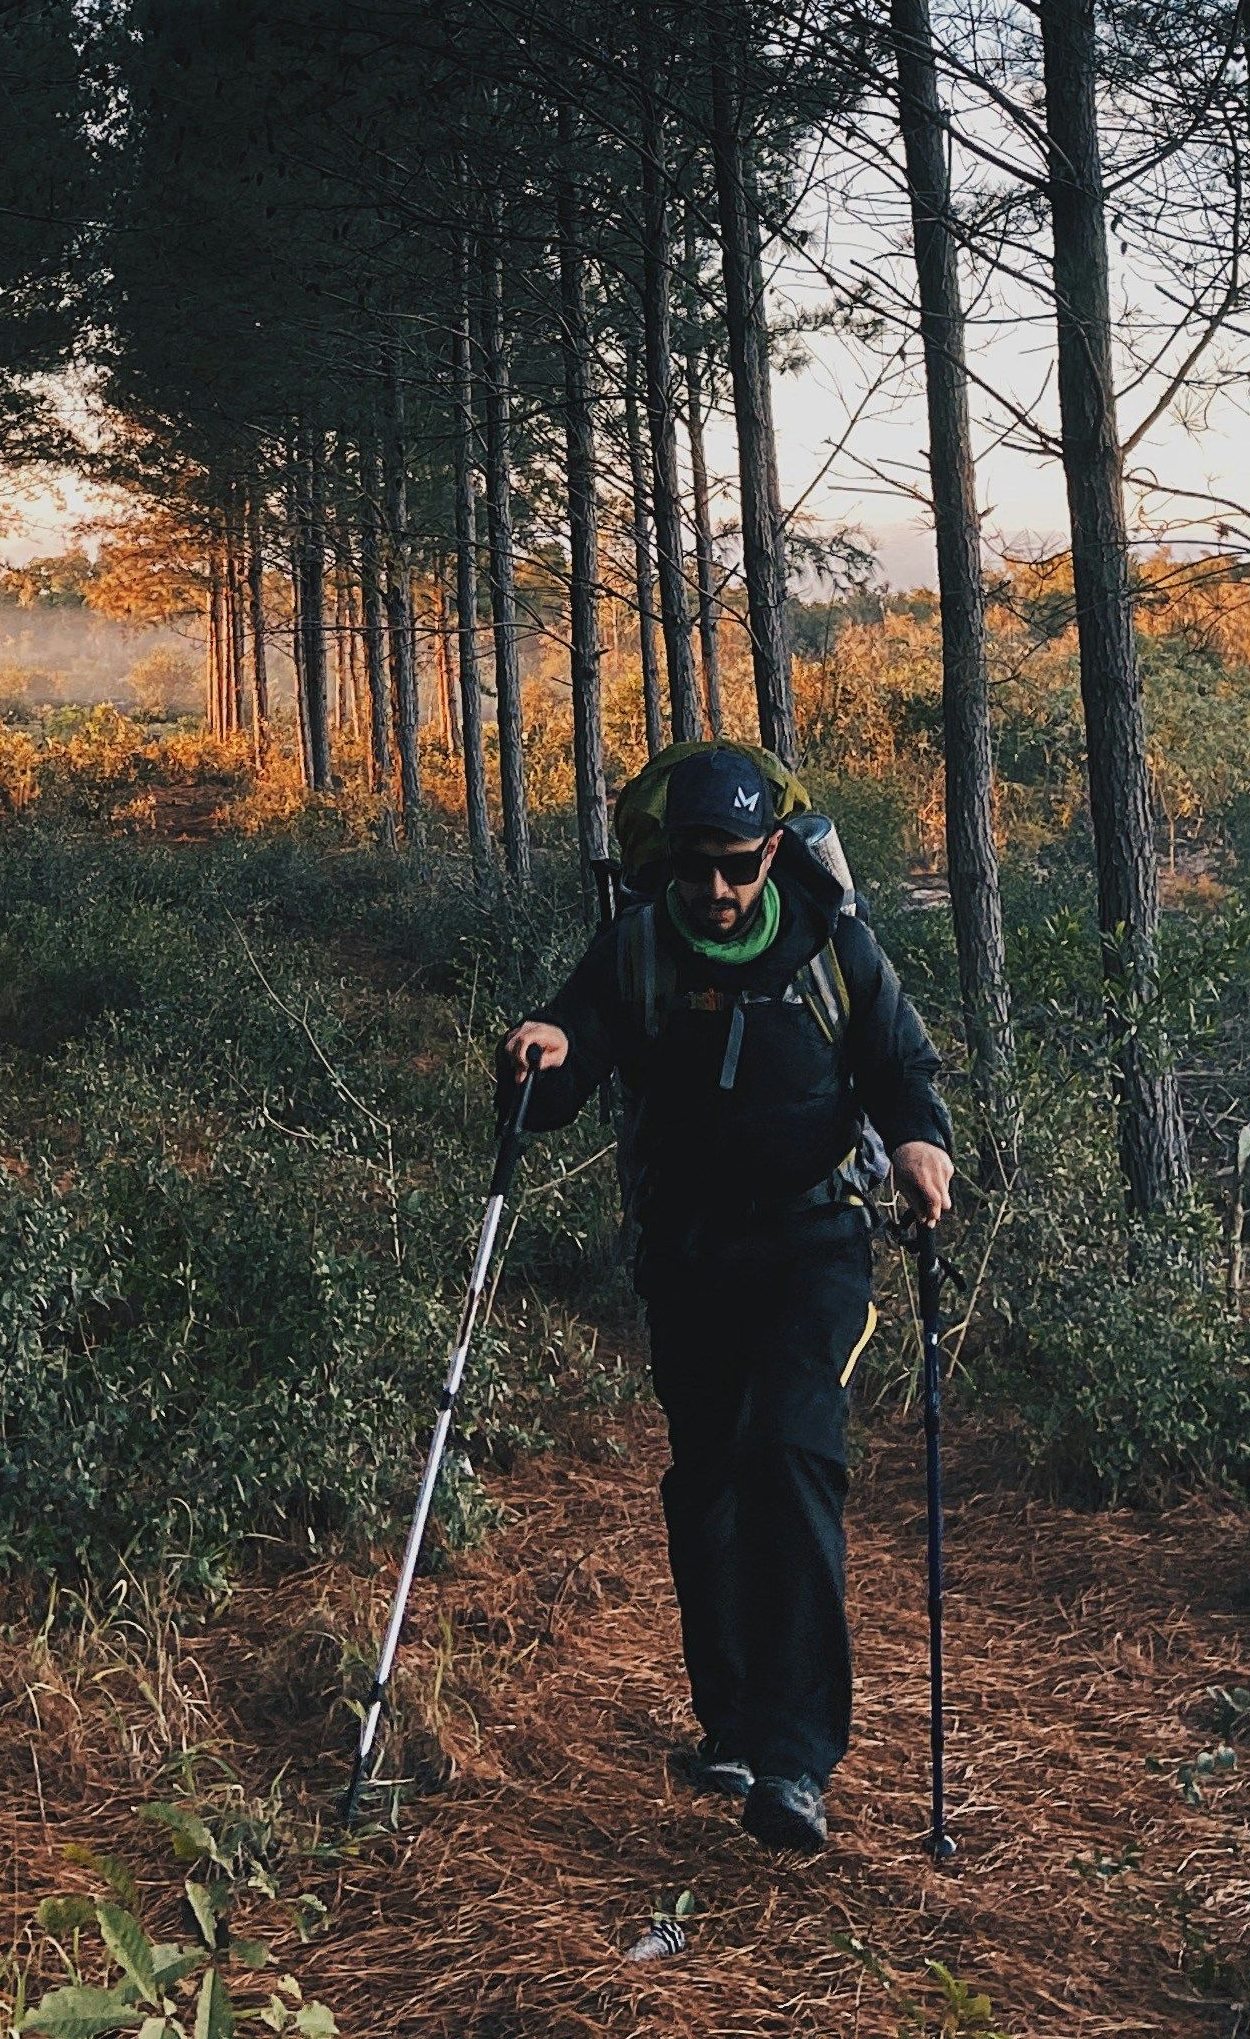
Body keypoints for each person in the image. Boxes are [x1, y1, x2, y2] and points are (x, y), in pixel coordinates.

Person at [501, 741, 953, 1858]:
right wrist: (541, 1053)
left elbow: (900, 1067)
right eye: (699, 866)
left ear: (771, 856)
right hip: (691, 1255)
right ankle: (735, 1728)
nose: (717, 890)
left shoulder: (831, 942)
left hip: (816, 1245)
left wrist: (918, 1146)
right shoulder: (638, 947)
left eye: (739, 867)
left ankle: (798, 1762)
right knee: (707, 1479)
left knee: (791, 1454)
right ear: (671, 863)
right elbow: (569, 1065)